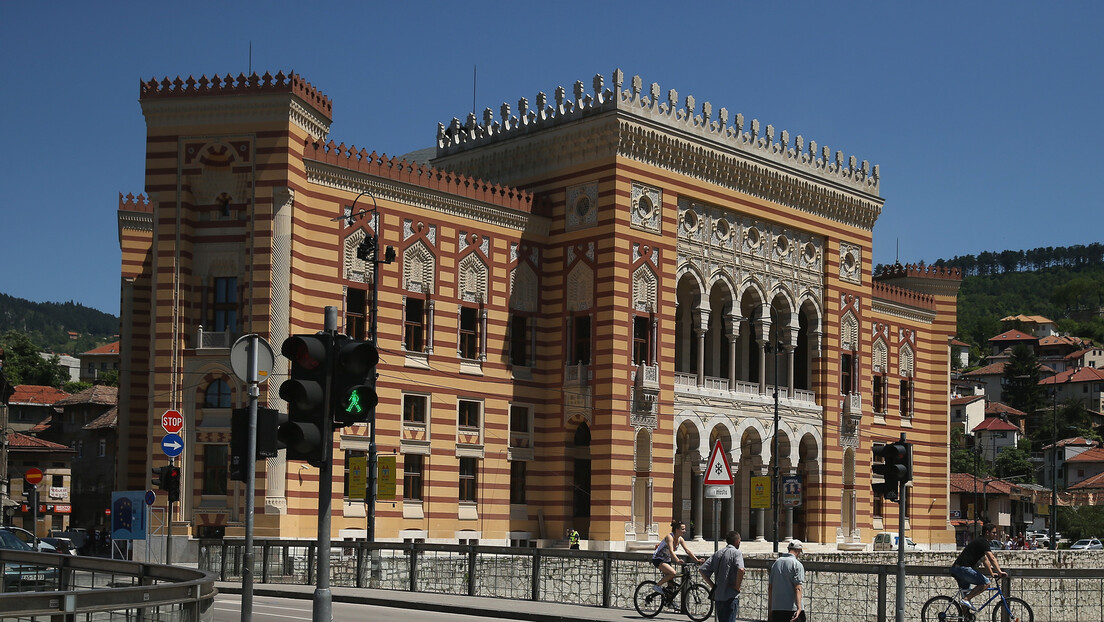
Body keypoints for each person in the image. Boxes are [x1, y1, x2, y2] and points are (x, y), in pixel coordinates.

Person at [952, 523, 1008, 611]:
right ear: (987, 532)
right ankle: (965, 600)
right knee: (986, 583)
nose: (995, 535)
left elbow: (985, 560)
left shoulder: (979, 541)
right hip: (963, 569)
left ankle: (966, 617)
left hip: (958, 569)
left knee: (966, 594)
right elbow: (991, 558)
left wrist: (992, 573)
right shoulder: (983, 542)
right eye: (994, 533)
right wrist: (1000, 572)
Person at [699, 530, 745, 622]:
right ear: (736, 541)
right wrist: (737, 586)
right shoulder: (737, 553)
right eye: (739, 540)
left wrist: (713, 586)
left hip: (719, 596)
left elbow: (702, 570)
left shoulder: (718, 553)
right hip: (731, 596)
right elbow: (741, 569)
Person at [651, 519, 703, 593]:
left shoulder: (680, 539)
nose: (684, 531)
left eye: (685, 529)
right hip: (658, 559)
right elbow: (671, 551)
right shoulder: (670, 537)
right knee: (673, 573)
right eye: (682, 529)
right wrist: (677, 560)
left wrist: (697, 560)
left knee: (671, 586)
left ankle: (669, 601)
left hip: (667, 560)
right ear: (676, 530)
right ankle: (657, 586)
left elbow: (687, 550)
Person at [767, 539, 805, 622]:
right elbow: (797, 588)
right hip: (792, 609)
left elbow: (770, 587)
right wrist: (799, 608)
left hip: (777, 608)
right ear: (798, 551)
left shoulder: (776, 563)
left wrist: (770, 608)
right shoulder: (797, 564)